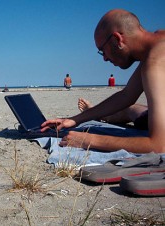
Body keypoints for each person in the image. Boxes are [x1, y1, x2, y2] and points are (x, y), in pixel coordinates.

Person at [41, 9, 165, 154]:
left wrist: (89, 140)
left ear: (118, 39)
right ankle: (96, 113)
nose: (105, 58)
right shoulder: (156, 44)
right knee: (129, 109)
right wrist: (74, 120)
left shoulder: (156, 61)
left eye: (102, 51)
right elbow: (127, 95)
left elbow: (159, 146)